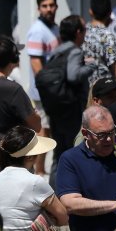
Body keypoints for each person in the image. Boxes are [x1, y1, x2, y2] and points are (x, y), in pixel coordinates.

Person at [57, 105, 116, 231]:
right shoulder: (71, 159)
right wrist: (115, 204)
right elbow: (69, 203)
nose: (109, 139)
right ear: (85, 133)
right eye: (101, 135)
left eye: (112, 132)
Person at [0, 37, 42, 189]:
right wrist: (35, 114)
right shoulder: (13, 89)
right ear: (13, 59)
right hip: (13, 166)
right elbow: (36, 125)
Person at [39, 15, 97, 181]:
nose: (85, 33)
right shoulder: (75, 51)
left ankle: (55, 193)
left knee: (59, 153)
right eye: (84, 30)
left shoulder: (57, 51)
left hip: (58, 111)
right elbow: (73, 76)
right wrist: (90, 66)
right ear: (78, 32)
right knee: (76, 151)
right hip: (72, 112)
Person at [84, 0, 116, 97]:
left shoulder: (81, 33)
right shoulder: (108, 37)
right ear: (110, 13)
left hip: (83, 94)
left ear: (90, 11)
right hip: (104, 95)